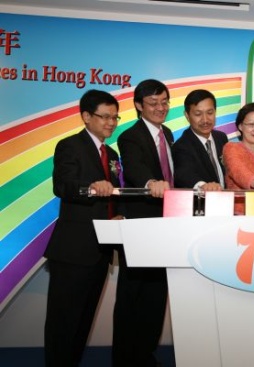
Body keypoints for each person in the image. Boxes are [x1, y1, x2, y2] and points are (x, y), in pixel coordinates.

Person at [44, 89, 123, 367]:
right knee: (63, 324)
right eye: (105, 117)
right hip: (74, 250)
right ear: (86, 116)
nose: (111, 123)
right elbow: (62, 186)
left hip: (101, 249)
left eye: (115, 117)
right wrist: (90, 189)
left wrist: (117, 215)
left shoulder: (112, 153)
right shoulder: (69, 146)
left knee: (83, 322)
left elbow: (112, 195)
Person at [114, 79, 173, 367]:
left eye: (164, 102)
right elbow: (136, 168)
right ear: (138, 105)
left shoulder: (170, 134)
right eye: (153, 103)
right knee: (132, 291)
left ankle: (145, 352)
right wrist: (152, 183)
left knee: (157, 292)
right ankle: (125, 357)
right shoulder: (130, 136)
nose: (160, 108)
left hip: (168, 223)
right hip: (140, 221)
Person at [173, 89, 228, 191]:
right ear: (187, 115)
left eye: (210, 113)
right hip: (201, 203)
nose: (205, 120)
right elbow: (184, 173)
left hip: (226, 201)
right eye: (198, 114)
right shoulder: (181, 146)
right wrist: (203, 185)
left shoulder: (221, 138)